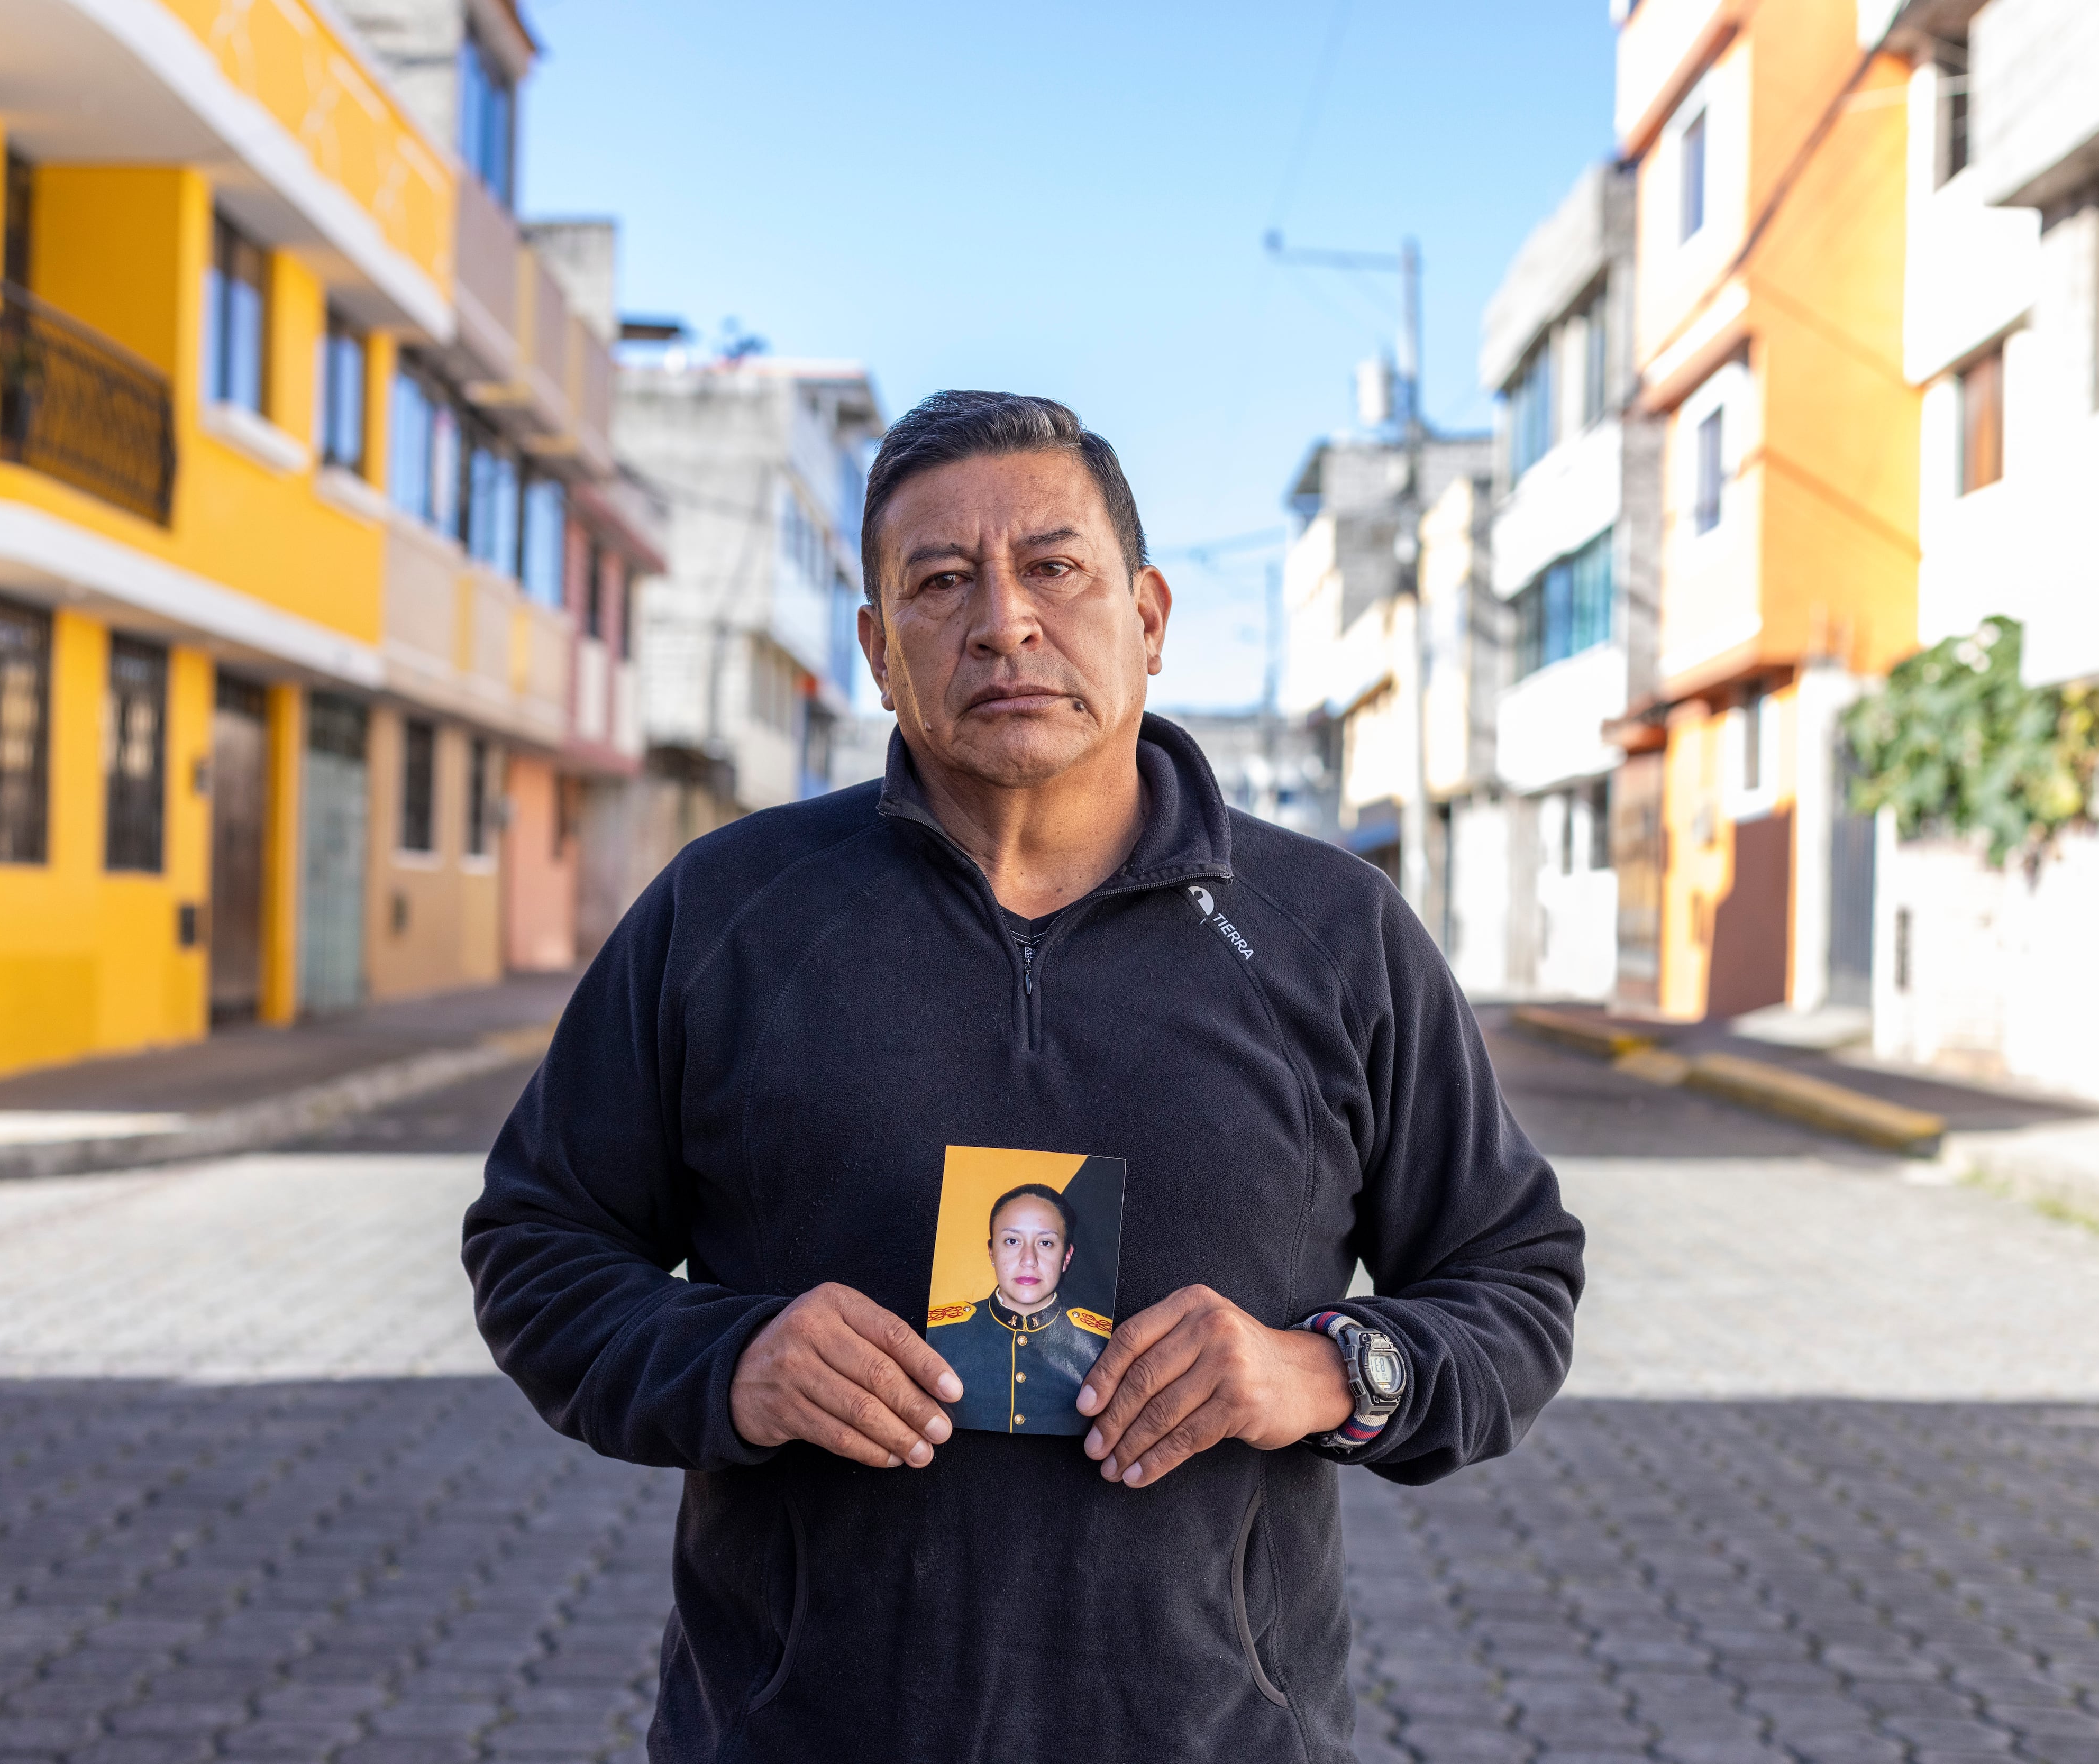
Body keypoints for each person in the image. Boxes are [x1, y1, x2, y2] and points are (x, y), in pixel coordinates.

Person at [464, 390, 1584, 1763]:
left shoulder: (1332, 935)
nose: (1004, 619)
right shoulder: (728, 916)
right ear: (878, 648)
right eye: (941, 581)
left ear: (1151, 614)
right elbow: (537, 1247)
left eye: (1054, 566)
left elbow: (1515, 1280)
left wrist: (1325, 1367)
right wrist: (730, 1357)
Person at [925, 1183, 1110, 1435]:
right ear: (992, 1252)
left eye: (1045, 1243)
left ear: (1066, 1257)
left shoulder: (1101, 1342)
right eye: (1012, 1241)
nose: (1028, 1260)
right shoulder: (939, 1335)